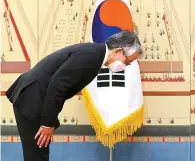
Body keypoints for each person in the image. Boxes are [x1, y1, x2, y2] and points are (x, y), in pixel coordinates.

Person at [5, 31, 142, 161]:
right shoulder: (91, 56)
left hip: (31, 96)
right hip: (32, 99)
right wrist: (47, 124)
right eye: (128, 61)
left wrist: (49, 122)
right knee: (37, 156)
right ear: (118, 51)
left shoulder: (94, 53)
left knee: (36, 155)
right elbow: (58, 85)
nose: (127, 65)